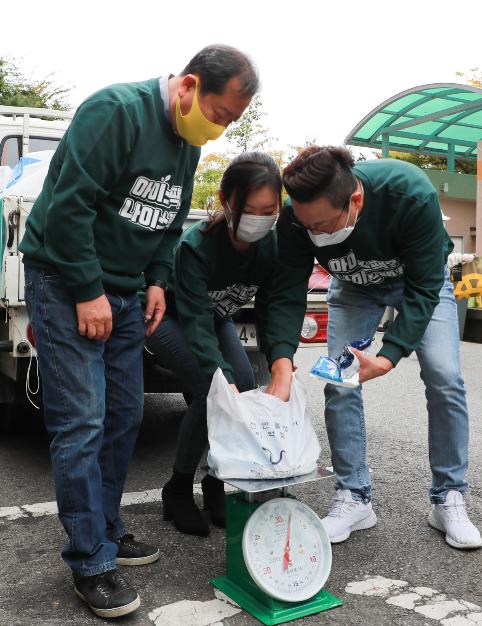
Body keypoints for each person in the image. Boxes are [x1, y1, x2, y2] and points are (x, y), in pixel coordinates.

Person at [19, 44, 257, 618]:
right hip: (66, 281)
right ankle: (90, 562)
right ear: (189, 86)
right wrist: (87, 290)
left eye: (230, 122)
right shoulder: (115, 112)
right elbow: (69, 207)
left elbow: (169, 220)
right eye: (219, 114)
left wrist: (156, 280)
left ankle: (105, 526)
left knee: (124, 414)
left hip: (127, 293)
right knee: (82, 421)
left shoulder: (187, 142)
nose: (219, 129)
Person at [265, 145, 482, 551]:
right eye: (308, 226)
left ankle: (448, 497)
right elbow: (287, 290)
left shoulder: (409, 192)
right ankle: (354, 497)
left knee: (445, 377)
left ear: (355, 201)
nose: (316, 234)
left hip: (418, 281)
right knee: (339, 382)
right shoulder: (296, 215)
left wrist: (388, 356)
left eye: (323, 225)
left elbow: (425, 287)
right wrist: (280, 357)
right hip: (353, 288)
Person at [145, 152, 281, 537]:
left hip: (215, 316)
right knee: (213, 390)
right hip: (168, 316)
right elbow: (194, 321)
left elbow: (272, 305)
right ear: (227, 202)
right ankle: (177, 488)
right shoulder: (196, 246)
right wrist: (218, 374)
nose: (260, 219)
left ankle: (215, 480)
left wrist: (279, 359)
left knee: (245, 386)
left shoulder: (272, 245)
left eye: (269, 210)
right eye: (249, 210)